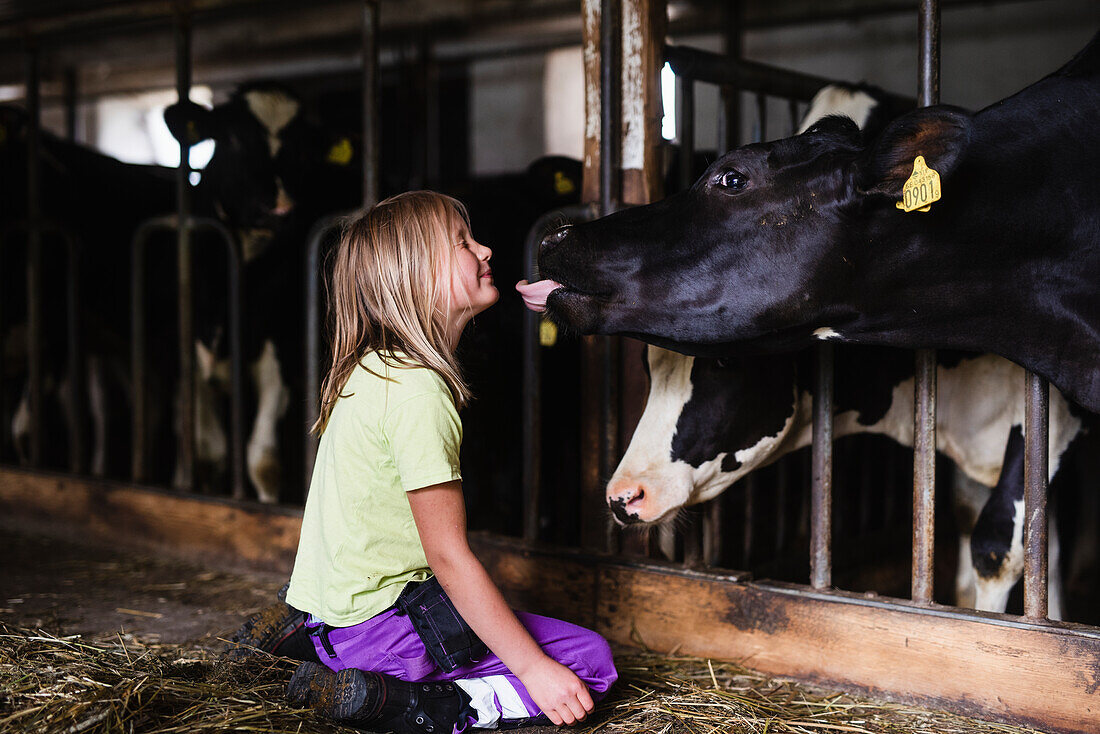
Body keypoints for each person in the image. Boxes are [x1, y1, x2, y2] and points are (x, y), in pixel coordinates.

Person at [230, 191, 617, 734]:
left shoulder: (372, 368)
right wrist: (535, 670)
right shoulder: (420, 394)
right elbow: (449, 556)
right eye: (462, 243)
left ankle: (309, 641)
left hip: (334, 611)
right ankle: (406, 701)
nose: (484, 249)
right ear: (416, 276)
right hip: (385, 631)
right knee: (588, 662)